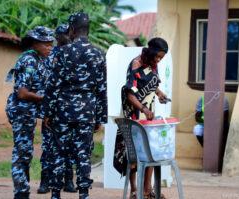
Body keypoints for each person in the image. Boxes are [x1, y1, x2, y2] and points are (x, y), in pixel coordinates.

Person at [42, 12, 107, 199]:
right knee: (83, 155)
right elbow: (102, 89)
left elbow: (53, 85)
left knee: (58, 153)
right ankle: (84, 194)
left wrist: (48, 113)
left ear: (71, 30)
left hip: (63, 111)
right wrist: (100, 117)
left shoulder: (62, 52)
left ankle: (55, 194)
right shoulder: (98, 55)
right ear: (87, 30)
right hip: (87, 113)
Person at [114, 37, 169, 199]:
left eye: (161, 57)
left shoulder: (153, 65)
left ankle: (147, 189)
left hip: (148, 112)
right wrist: (143, 109)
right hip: (134, 112)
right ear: (150, 52)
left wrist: (160, 94)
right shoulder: (136, 64)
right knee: (133, 151)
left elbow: (153, 84)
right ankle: (133, 190)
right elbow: (130, 94)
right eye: (157, 56)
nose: (158, 59)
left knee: (150, 149)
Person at [5, 26, 54, 199]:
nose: (49, 47)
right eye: (46, 44)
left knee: (26, 152)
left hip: (29, 112)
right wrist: (46, 97)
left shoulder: (39, 59)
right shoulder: (28, 60)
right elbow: (23, 93)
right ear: (35, 43)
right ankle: (21, 192)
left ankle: (22, 190)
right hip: (21, 111)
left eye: (51, 44)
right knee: (22, 152)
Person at [37, 24, 77, 194]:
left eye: (70, 34)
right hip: (52, 109)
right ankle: (45, 182)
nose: (68, 37)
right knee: (48, 147)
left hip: (68, 110)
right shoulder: (49, 56)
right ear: (58, 36)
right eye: (65, 34)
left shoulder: (75, 55)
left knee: (69, 147)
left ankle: (68, 182)